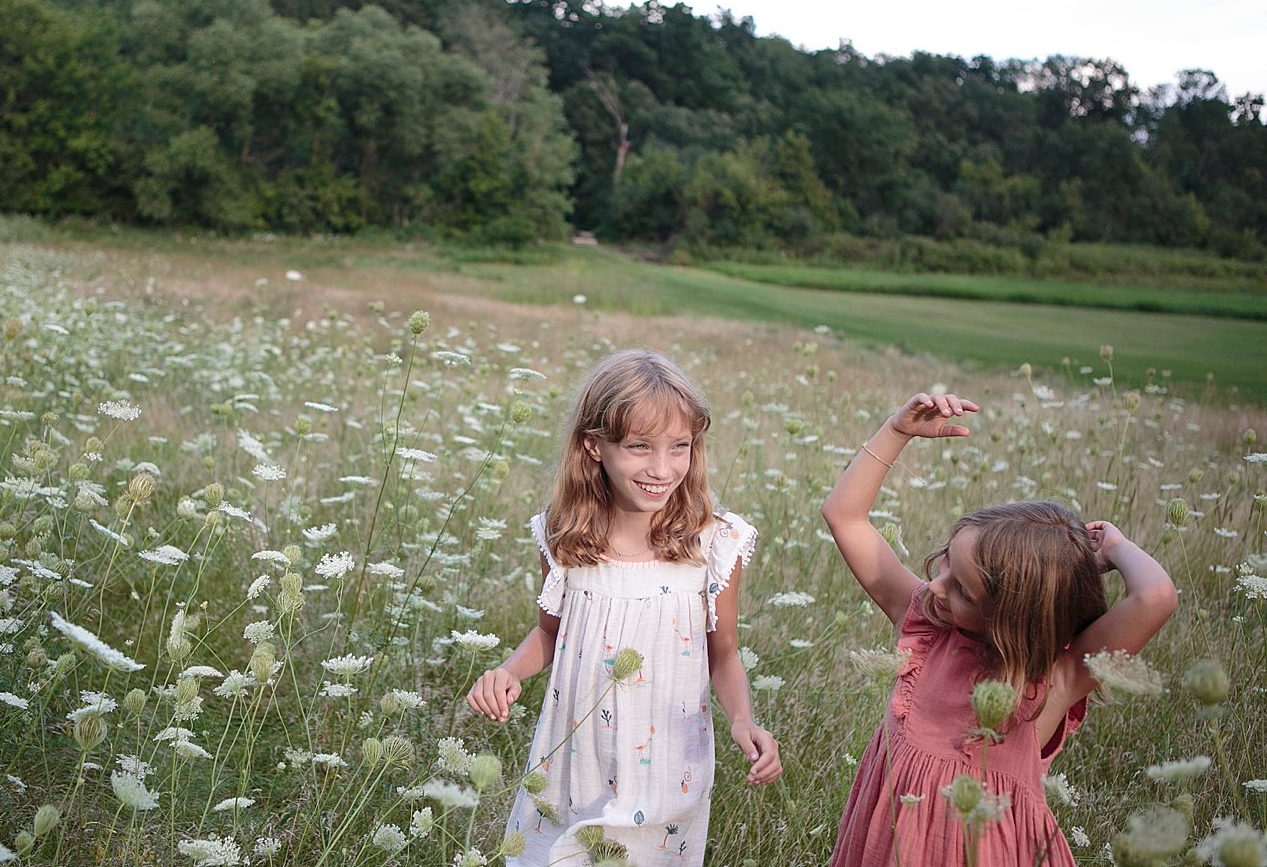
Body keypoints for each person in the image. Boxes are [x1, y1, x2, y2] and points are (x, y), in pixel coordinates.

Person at [824, 391, 1178, 867]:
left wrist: (1113, 546)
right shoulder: (928, 626)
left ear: (1016, 616)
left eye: (963, 590)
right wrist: (897, 430)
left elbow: (1156, 598)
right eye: (945, 562)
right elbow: (844, 515)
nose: (935, 585)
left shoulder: (1056, 681)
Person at [467, 349, 782, 866]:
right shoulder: (564, 537)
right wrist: (507, 672)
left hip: (666, 767)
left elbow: (723, 655)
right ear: (594, 445)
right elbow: (549, 633)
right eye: (639, 448)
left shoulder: (714, 544)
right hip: (575, 762)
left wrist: (743, 720)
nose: (662, 468)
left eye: (679, 447)